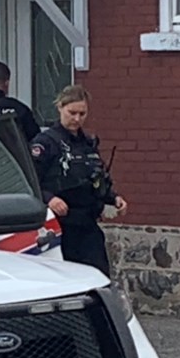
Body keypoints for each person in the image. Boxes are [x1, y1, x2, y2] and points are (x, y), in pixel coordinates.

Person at [30, 84, 127, 276]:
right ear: (60, 108)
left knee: (99, 278)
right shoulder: (45, 143)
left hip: (88, 224)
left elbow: (95, 179)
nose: (77, 119)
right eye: (72, 112)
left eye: (82, 114)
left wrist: (113, 198)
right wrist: (49, 199)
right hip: (59, 226)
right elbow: (29, 181)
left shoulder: (88, 143)